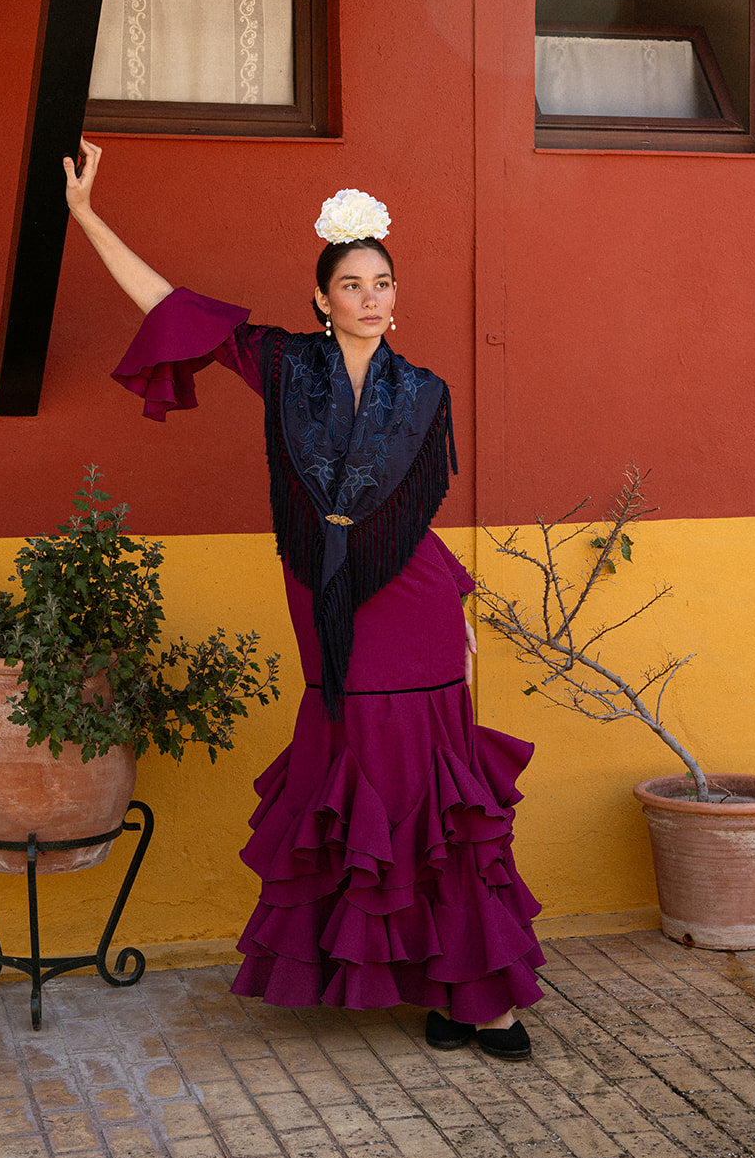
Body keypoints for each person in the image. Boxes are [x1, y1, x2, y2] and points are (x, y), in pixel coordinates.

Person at [64, 139, 544, 1059]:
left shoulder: (424, 392)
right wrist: (87, 217)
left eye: (382, 284)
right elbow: (172, 308)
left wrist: (458, 604)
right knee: (365, 776)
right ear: (321, 299)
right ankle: (409, 978)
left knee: (438, 798)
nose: (370, 298)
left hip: (413, 605)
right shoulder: (283, 366)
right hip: (324, 597)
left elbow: (412, 519)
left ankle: (477, 998)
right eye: (351, 285)